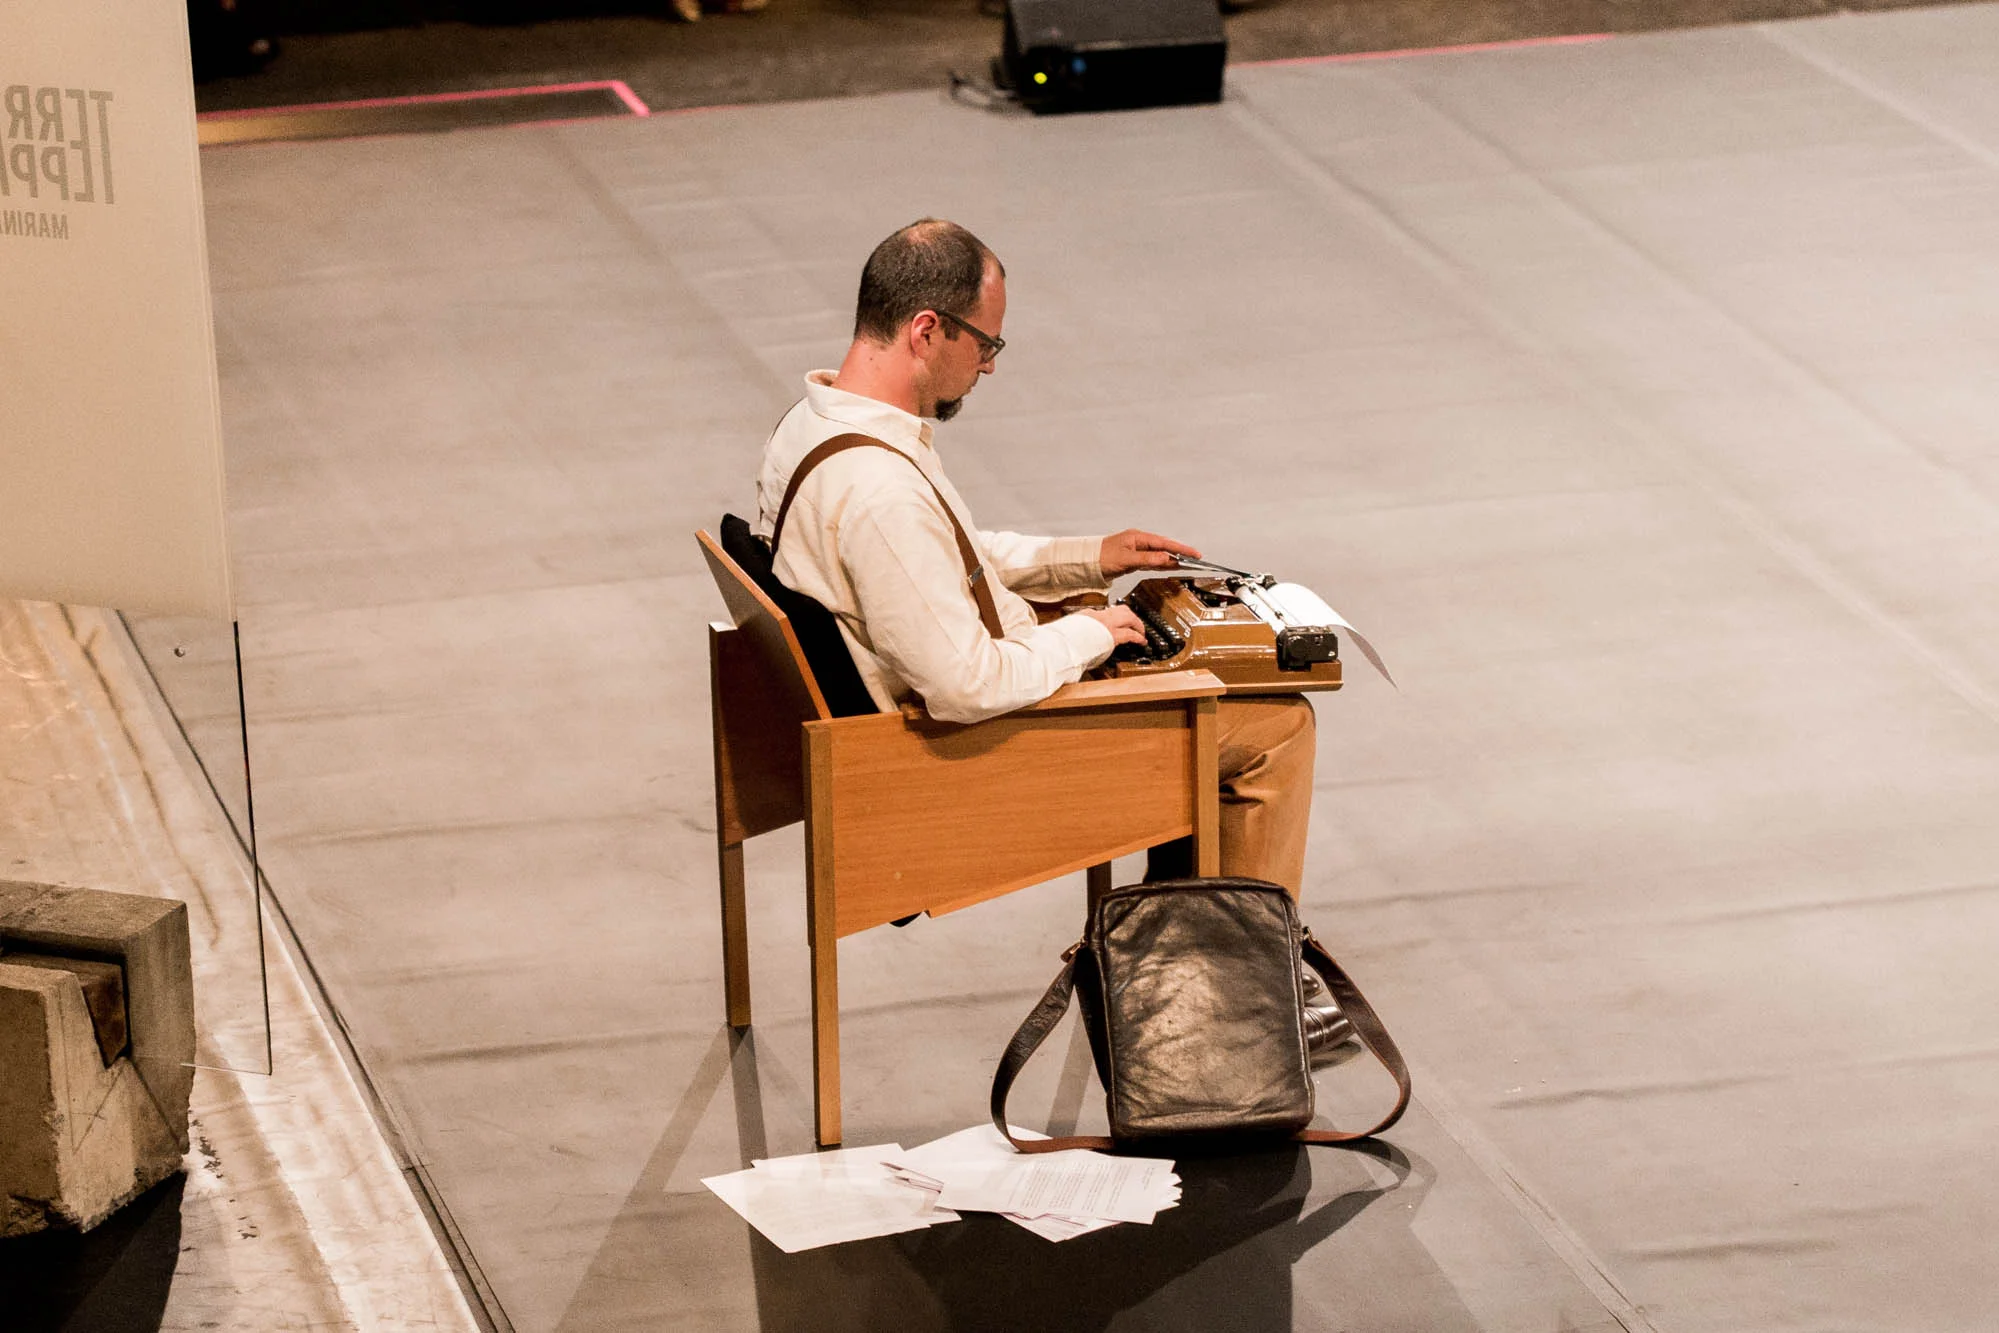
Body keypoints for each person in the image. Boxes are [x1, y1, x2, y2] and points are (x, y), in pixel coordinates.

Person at [754, 218, 1318, 896]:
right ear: (927, 330)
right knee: (1277, 725)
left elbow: (938, 557)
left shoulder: (813, 425)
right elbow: (965, 687)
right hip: (943, 765)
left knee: (1190, 693)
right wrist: (1086, 634)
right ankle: (1238, 953)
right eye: (985, 343)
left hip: (900, 726)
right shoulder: (881, 490)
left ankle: (1181, 931)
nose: (989, 365)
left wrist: (1089, 558)